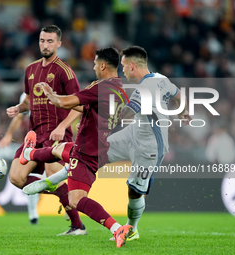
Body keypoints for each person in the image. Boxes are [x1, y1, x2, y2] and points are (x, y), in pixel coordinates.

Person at [22, 46, 192, 244]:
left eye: (124, 66)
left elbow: (126, 113)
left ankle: (131, 229)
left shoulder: (141, 89)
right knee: (88, 151)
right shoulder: (160, 79)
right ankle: (51, 175)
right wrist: (183, 111)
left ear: (132, 66)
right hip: (132, 134)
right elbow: (178, 94)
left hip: (150, 147)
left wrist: (55, 98)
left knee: (134, 191)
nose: (122, 70)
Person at [22, 47, 134, 248]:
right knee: (60, 149)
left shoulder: (101, 87)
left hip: (86, 152)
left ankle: (117, 228)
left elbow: (65, 103)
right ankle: (30, 153)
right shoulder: (121, 90)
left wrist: (50, 94)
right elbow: (86, 107)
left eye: (94, 64)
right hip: (100, 150)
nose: (93, 67)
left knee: (75, 200)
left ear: (102, 65)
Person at [5, 25, 84, 235]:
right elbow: (30, 100)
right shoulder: (30, 69)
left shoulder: (64, 71)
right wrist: (19, 108)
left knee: (51, 173)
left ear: (58, 43)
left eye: (50, 41)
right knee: (16, 177)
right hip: (34, 134)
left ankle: (77, 226)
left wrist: (62, 126)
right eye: (42, 40)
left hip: (56, 134)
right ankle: (65, 197)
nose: (45, 45)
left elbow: (80, 106)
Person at [0, 92, 40, 225]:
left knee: (55, 174)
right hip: (35, 140)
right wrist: (9, 134)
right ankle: (32, 212)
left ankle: (69, 207)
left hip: (54, 139)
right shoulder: (26, 95)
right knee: (32, 175)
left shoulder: (56, 88)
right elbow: (19, 117)